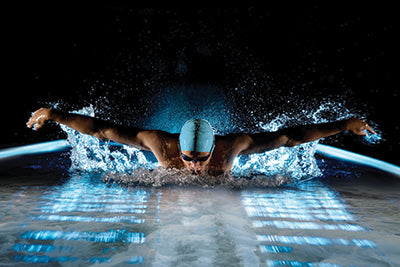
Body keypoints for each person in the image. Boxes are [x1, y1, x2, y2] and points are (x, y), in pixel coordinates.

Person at [27, 107, 376, 175]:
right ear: (177, 147)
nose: (193, 166)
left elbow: (288, 138)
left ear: (214, 150)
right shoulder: (159, 145)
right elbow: (102, 130)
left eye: (201, 159)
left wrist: (344, 124)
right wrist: (55, 115)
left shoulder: (230, 150)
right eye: (188, 157)